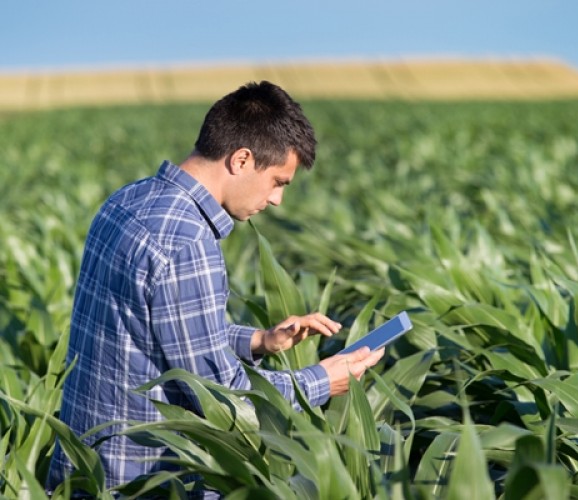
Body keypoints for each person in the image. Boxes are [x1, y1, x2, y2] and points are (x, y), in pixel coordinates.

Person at [46, 81, 384, 495]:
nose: (277, 200)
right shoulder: (188, 241)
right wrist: (319, 381)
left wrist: (260, 340)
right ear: (242, 159)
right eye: (278, 181)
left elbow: (156, 329)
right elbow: (223, 401)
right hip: (143, 481)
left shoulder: (127, 200)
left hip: (82, 468)